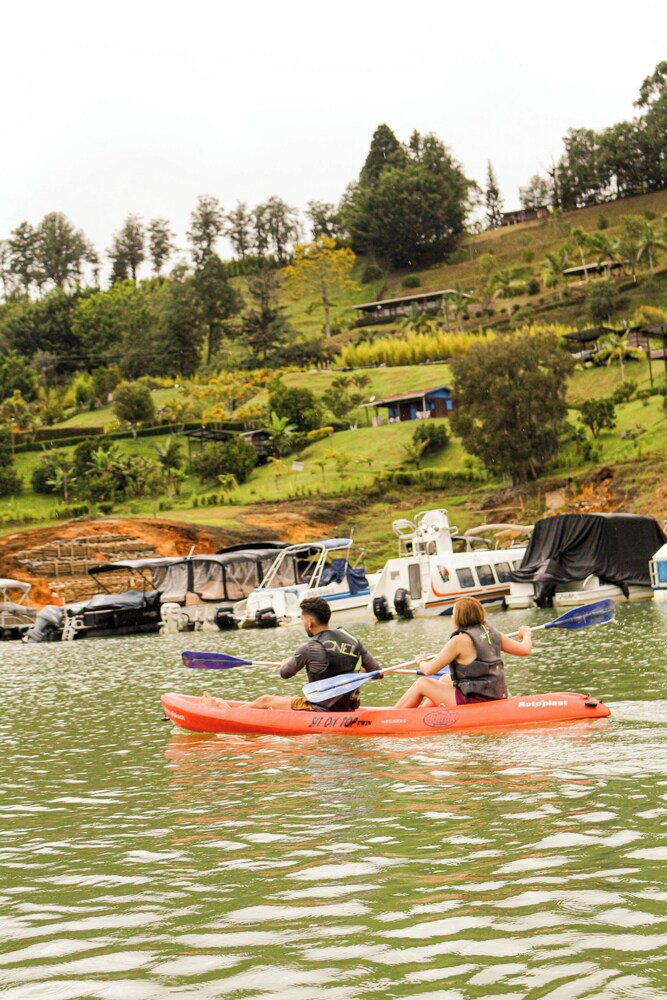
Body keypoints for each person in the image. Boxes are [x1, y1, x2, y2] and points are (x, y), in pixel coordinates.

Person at [203, 596, 381, 712]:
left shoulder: (310, 647)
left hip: (320, 708)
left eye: (302, 619)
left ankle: (228, 713)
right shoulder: (353, 640)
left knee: (265, 700)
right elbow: (377, 673)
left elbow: (285, 673)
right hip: (348, 707)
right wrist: (357, 672)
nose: (303, 624)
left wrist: (286, 662)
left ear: (310, 622)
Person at [394, 596, 532, 710]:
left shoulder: (458, 641)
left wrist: (421, 661)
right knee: (445, 679)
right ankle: (425, 714)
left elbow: (428, 670)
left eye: (453, 613)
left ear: (461, 616)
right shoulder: (494, 635)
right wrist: (526, 633)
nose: (452, 617)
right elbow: (525, 650)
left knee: (422, 683)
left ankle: (394, 716)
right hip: (496, 695)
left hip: (474, 700)